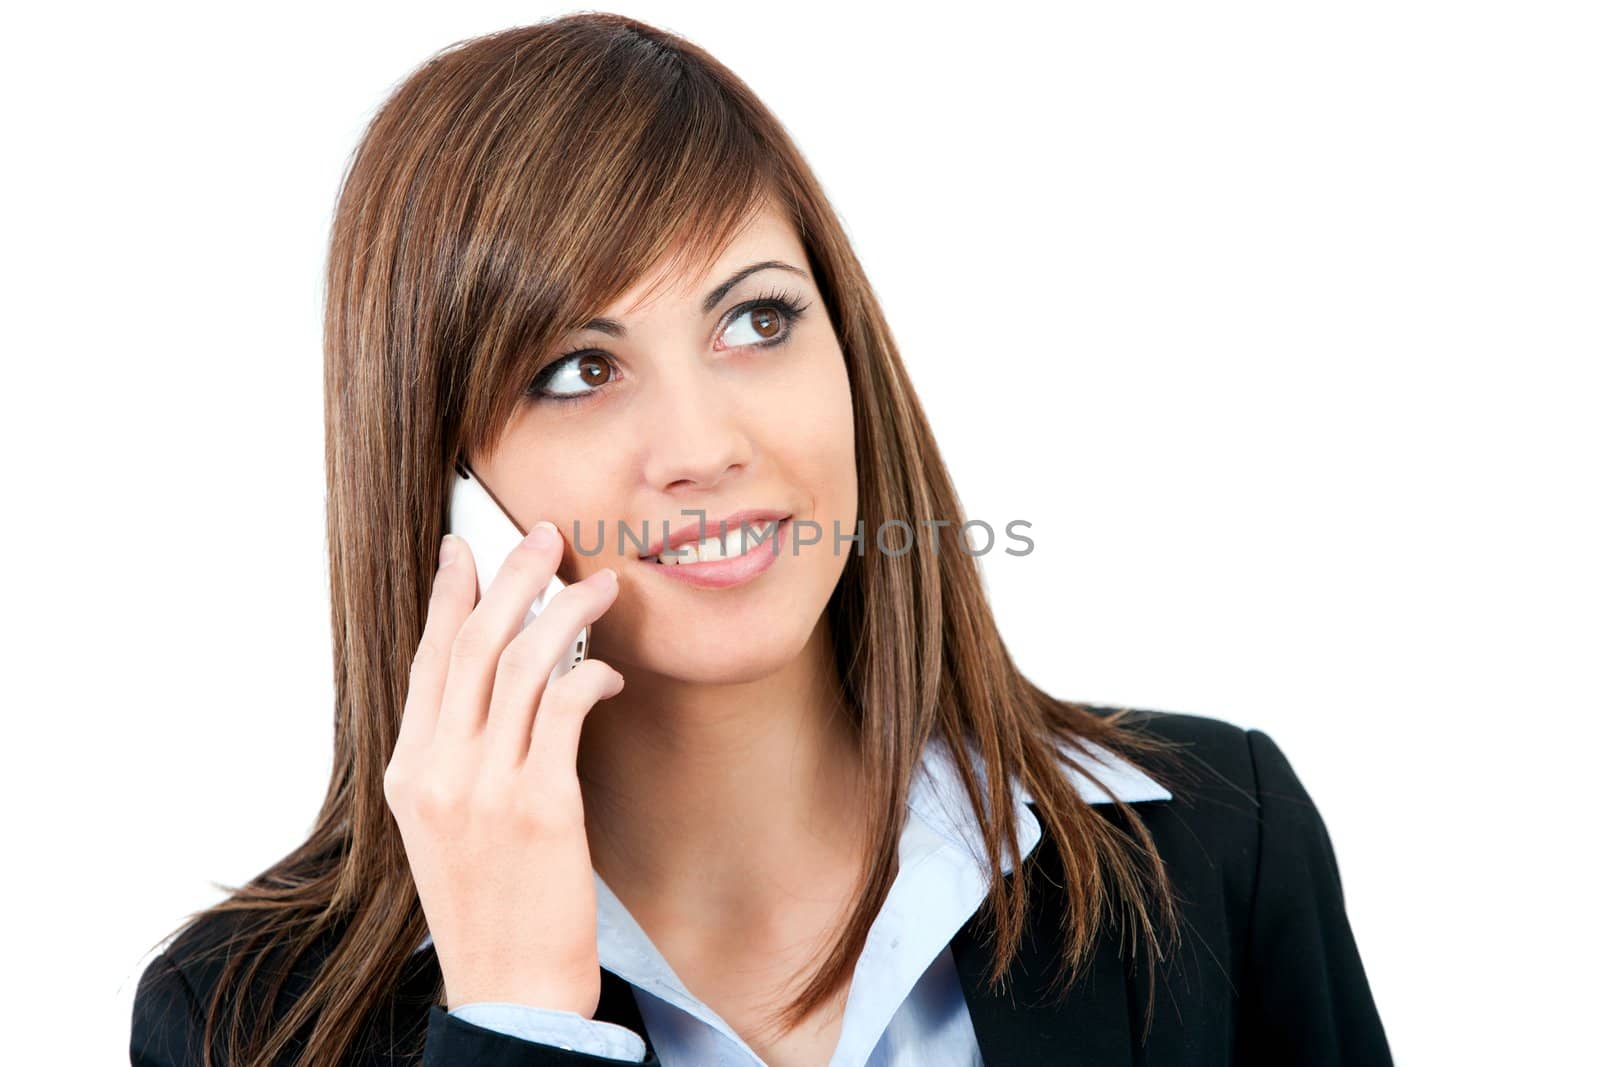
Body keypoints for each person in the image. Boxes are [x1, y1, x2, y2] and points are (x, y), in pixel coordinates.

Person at [129, 12, 1391, 1066]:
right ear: (448, 480)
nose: (701, 441)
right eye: (576, 368)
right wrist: (513, 1017)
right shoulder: (240, 1019)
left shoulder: (1219, 845)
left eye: (754, 321)